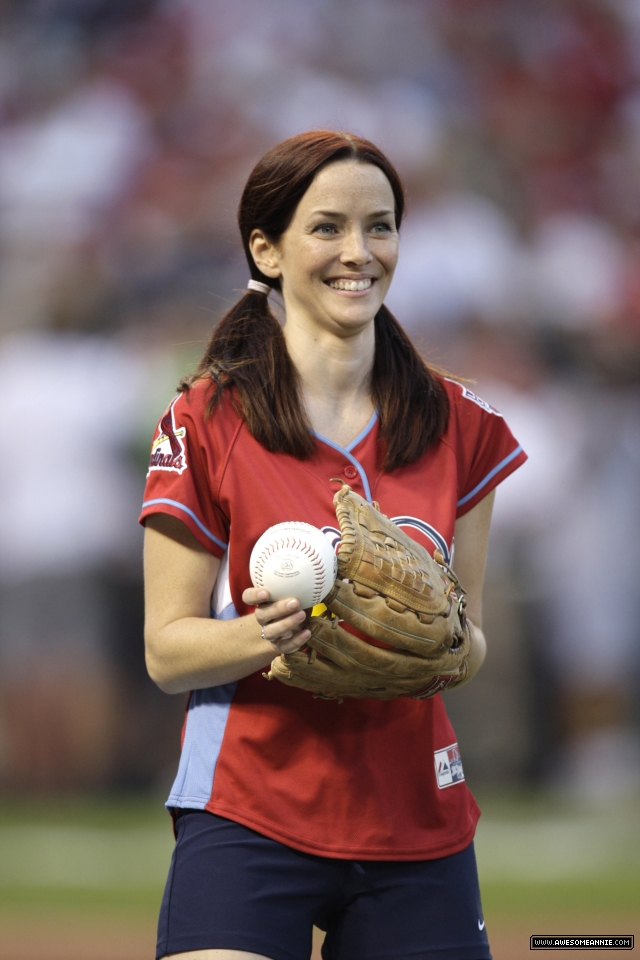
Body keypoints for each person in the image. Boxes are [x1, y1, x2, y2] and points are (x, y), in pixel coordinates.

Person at [141, 130, 527, 960]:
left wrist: (431, 644)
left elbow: (472, 644)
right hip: (248, 806)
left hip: (415, 818)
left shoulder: (465, 426)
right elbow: (167, 654)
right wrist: (277, 636)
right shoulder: (205, 419)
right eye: (327, 227)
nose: (360, 252)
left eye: (380, 227)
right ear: (266, 249)